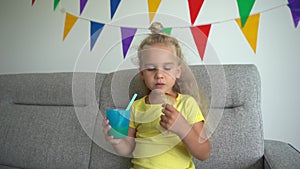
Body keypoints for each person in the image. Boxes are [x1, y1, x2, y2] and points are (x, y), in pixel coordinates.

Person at [103, 22, 210, 169]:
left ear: (177, 71)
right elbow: (128, 148)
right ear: (142, 74)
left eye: (167, 68)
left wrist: (183, 129)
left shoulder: (186, 103)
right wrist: (117, 141)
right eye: (151, 68)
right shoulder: (136, 106)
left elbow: (204, 153)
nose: (159, 74)